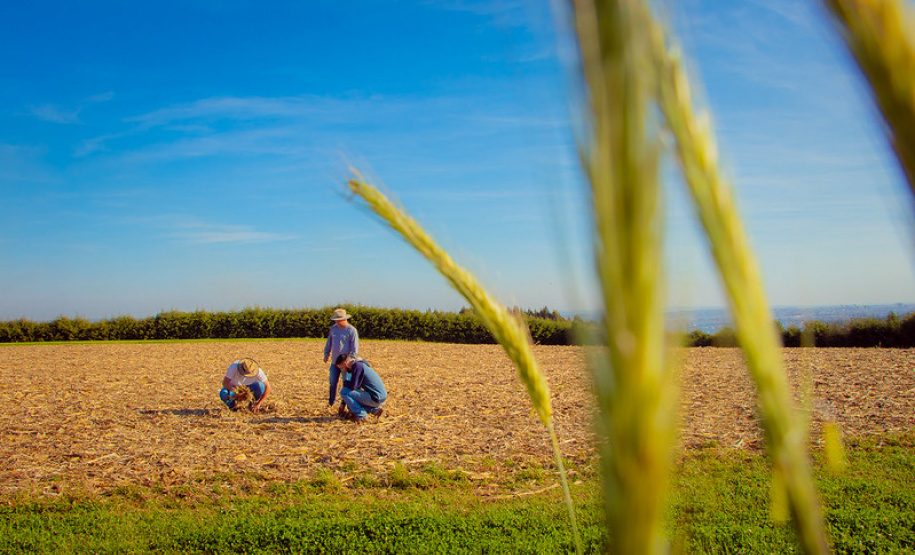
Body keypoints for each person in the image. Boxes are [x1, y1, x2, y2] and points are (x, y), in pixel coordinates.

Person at [323, 308, 359, 408]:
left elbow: (354, 349)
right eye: (336, 320)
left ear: (344, 319)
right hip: (334, 362)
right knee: (332, 383)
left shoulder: (351, 331)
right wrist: (326, 354)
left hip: (345, 364)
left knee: (346, 384)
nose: (336, 322)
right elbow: (329, 343)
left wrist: (348, 361)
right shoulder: (333, 329)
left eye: (338, 320)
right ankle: (331, 403)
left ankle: (344, 404)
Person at [334, 353, 386, 422]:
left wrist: (345, 383)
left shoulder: (357, 367)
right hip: (379, 397)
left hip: (375, 397)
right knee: (351, 397)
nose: (342, 370)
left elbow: (353, 386)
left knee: (344, 391)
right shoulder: (360, 364)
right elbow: (355, 389)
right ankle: (375, 410)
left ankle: (361, 416)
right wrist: (343, 403)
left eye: (341, 368)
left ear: (345, 363)